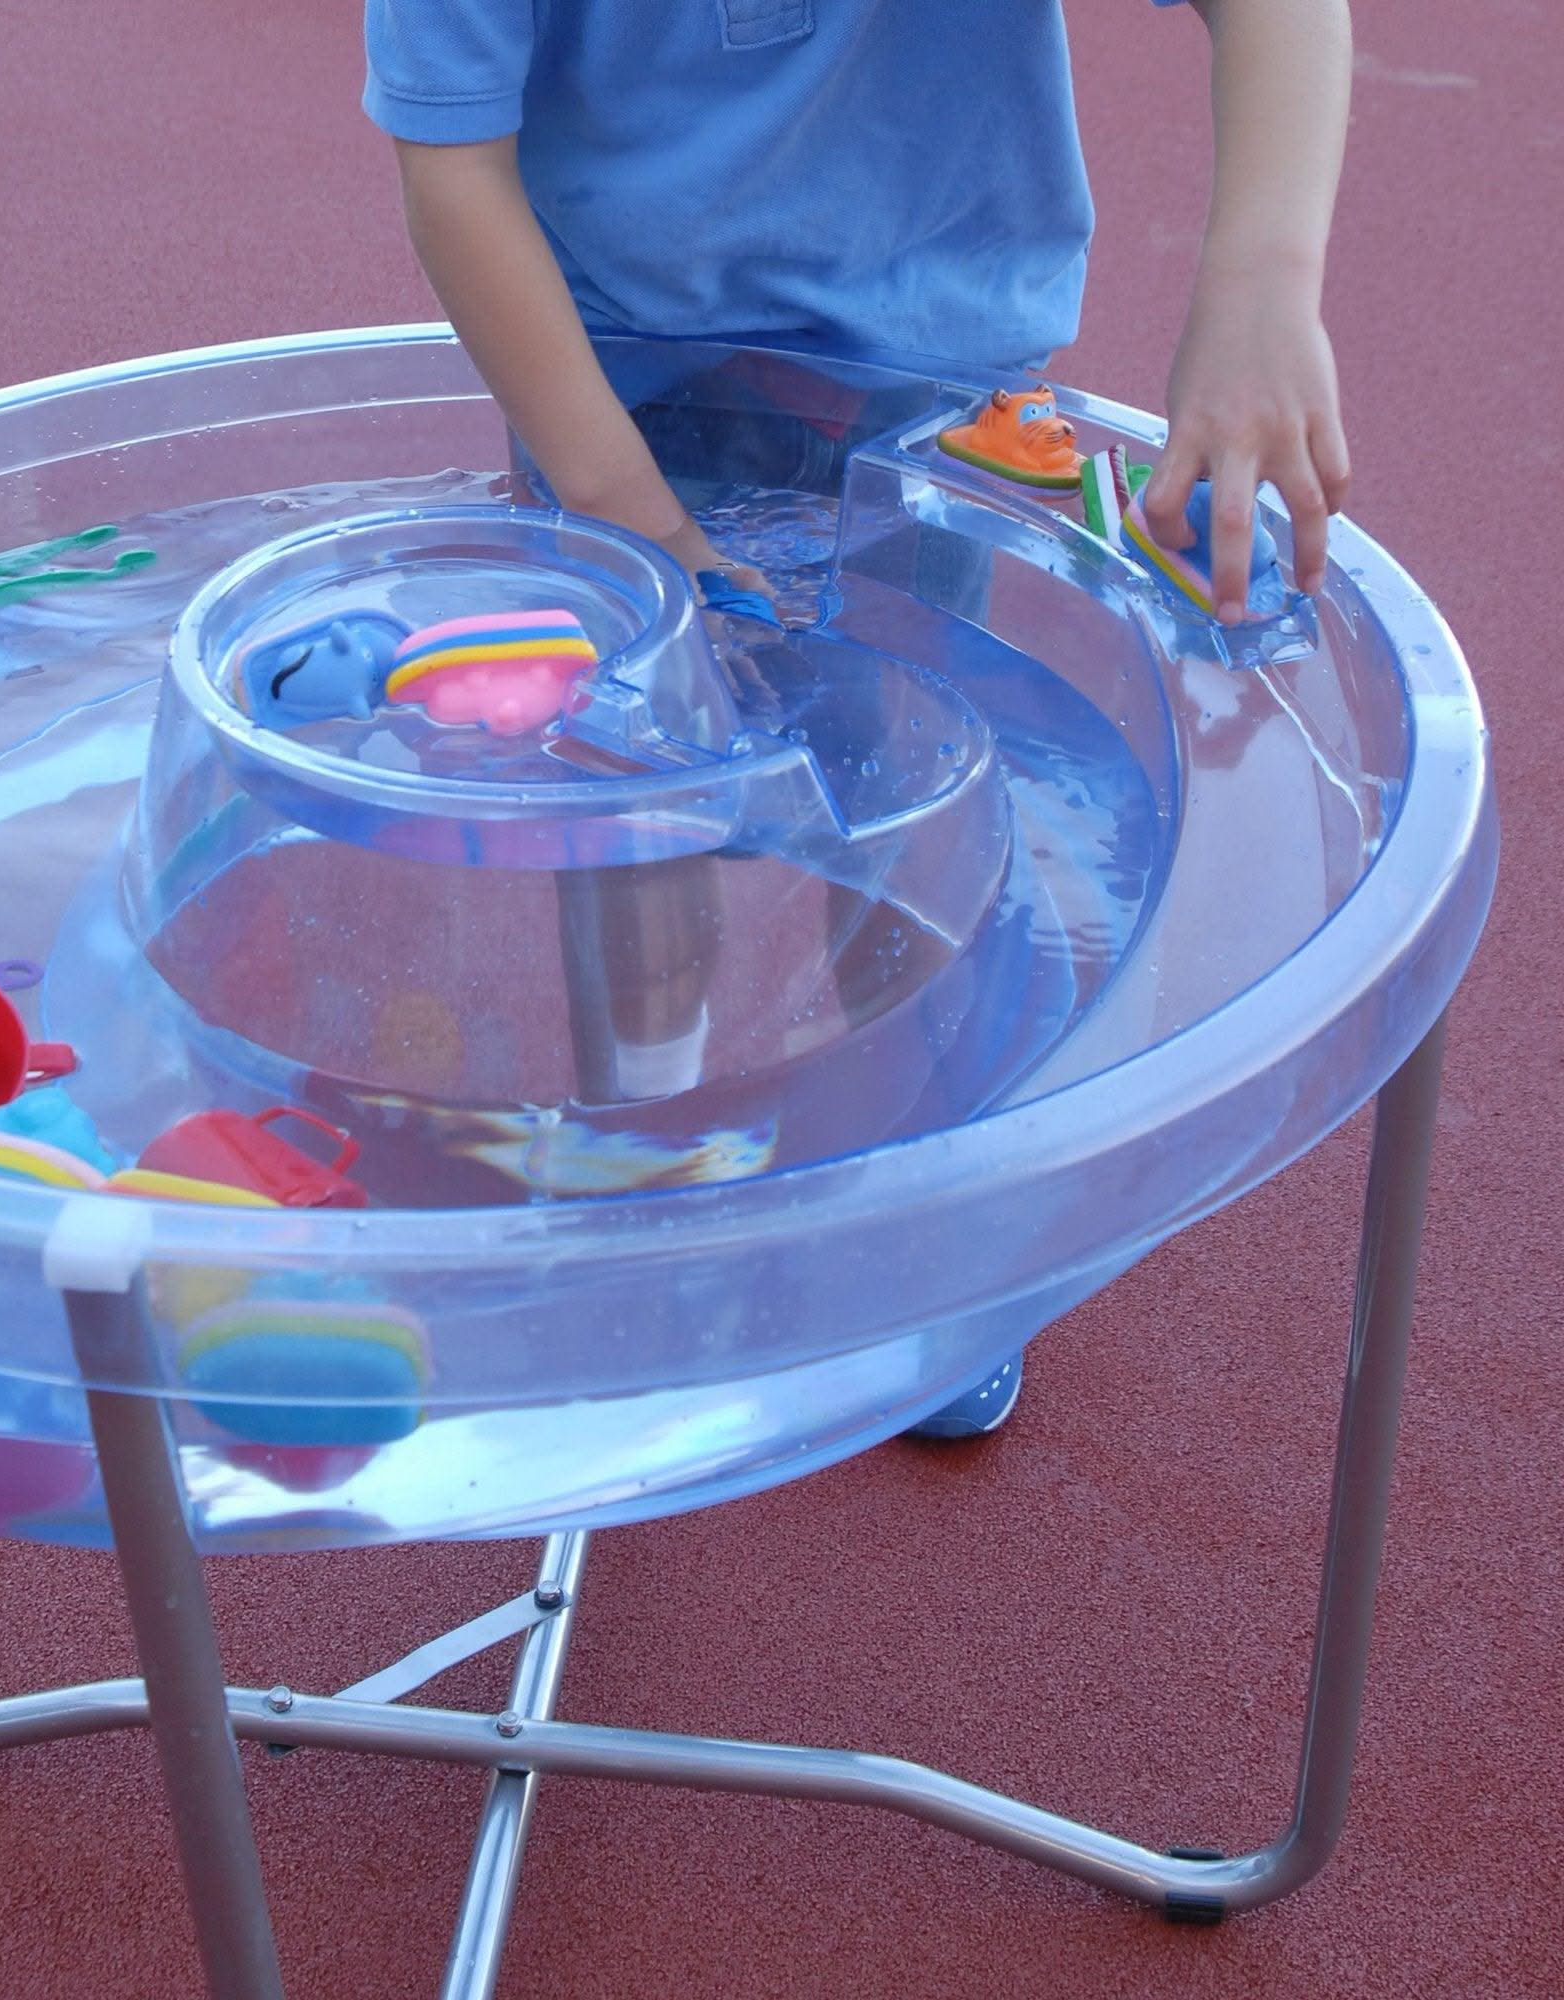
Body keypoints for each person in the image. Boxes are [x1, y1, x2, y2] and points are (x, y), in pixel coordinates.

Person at [361, 0, 1354, 1436]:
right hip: (614, 374)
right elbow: (453, 159)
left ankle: (928, 1222)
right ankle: (653, 1181)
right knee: (639, 806)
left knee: (906, 789)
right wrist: (623, 508)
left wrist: (1263, 283)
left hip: (926, 360)